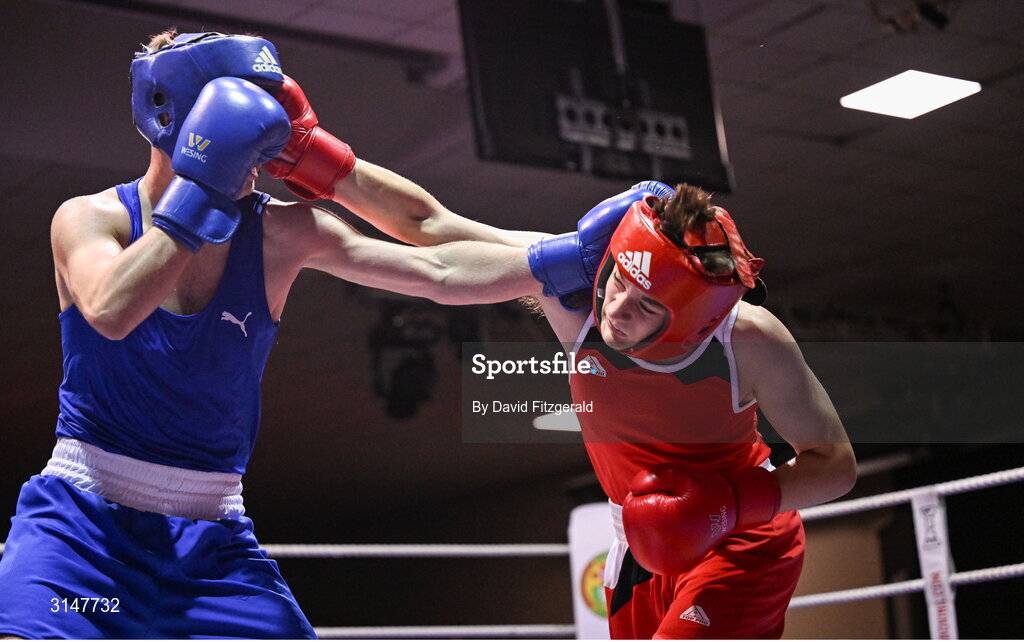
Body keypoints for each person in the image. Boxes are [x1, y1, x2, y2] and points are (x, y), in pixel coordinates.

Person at [0, 30, 643, 638]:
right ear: (178, 117)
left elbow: (438, 260)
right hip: (80, 529)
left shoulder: (282, 233)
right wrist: (203, 186)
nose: (255, 149)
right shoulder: (89, 221)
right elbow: (111, 309)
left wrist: (570, 256)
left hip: (212, 538)